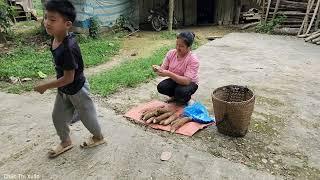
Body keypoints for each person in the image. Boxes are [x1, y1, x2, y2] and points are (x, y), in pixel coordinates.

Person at [34, 0, 105, 158]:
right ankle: (65, 141)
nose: (47, 22)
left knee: (88, 117)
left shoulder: (68, 48)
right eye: (46, 17)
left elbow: (69, 78)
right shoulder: (55, 38)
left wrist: (46, 85)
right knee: (57, 116)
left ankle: (98, 137)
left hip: (77, 89)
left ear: (67, 24)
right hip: (64, 88)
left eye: (53, 19)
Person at [153, 31, 199, 106]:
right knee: (161, 87)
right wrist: (158, 70)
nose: (178, 48)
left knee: (181, 92)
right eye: (177, 44)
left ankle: (187, 99)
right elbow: (162, 69)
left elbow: (186, 81)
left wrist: (168, 73)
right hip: (175, 80)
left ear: (189, 47)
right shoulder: (171, 53)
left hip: (190, 83)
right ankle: (175, 97)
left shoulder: (193, 59)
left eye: (181, 46)